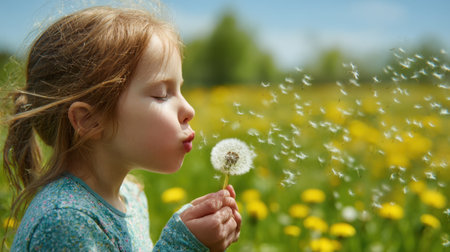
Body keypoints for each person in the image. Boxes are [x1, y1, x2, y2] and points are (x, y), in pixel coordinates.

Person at [2, 6, 241, 251]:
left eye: (180, 89)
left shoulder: (131, 195)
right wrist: (183, 246)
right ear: (88, 120)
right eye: (161, 94)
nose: (189, 109)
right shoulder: (64, 221)